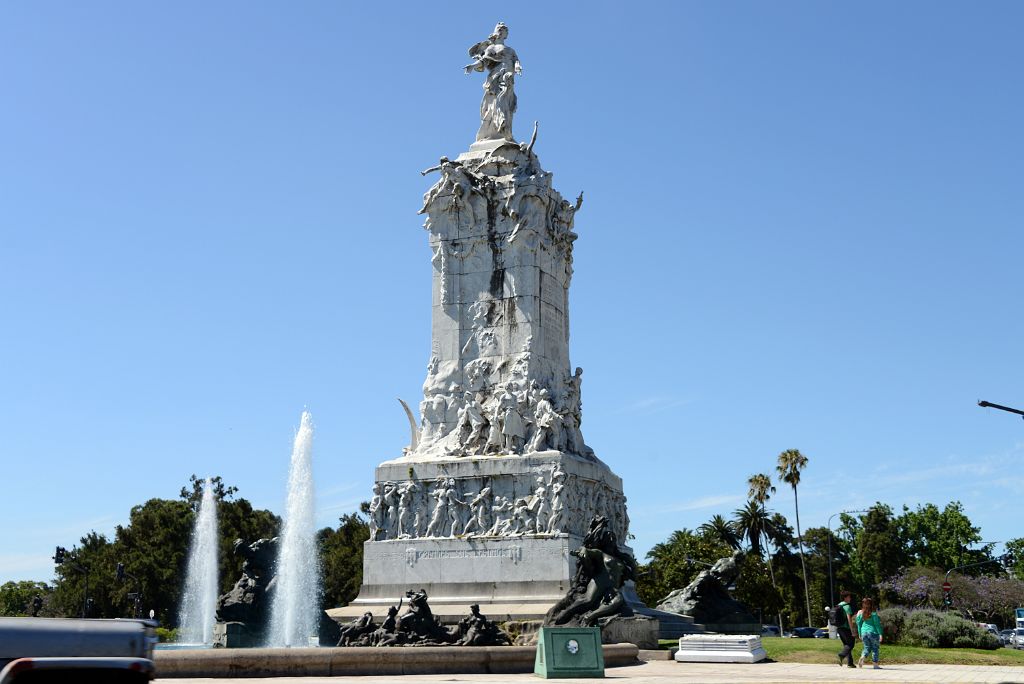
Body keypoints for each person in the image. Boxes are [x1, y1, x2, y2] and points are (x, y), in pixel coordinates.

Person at [856, 597, 883, 669]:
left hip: (864, 632)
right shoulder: (873, 613)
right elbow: (877, 625)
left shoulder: (861, 613)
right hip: (873, 632)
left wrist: (859, 634)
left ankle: (862, 657)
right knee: (875, 648)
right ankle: (875, 664)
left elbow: (859, 624)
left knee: (866, 647)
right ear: (871, 604)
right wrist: (880, 634)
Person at [835, 590, 857, 668]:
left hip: (839, 628)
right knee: (851, 644)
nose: (850, 598)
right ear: (845, 598)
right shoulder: (847, 606)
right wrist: (852, 631)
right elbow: (849, 619)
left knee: (846, 645)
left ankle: (850, 663)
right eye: (849, 597)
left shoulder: (838, 605)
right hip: (846, 628)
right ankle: (842, 655)